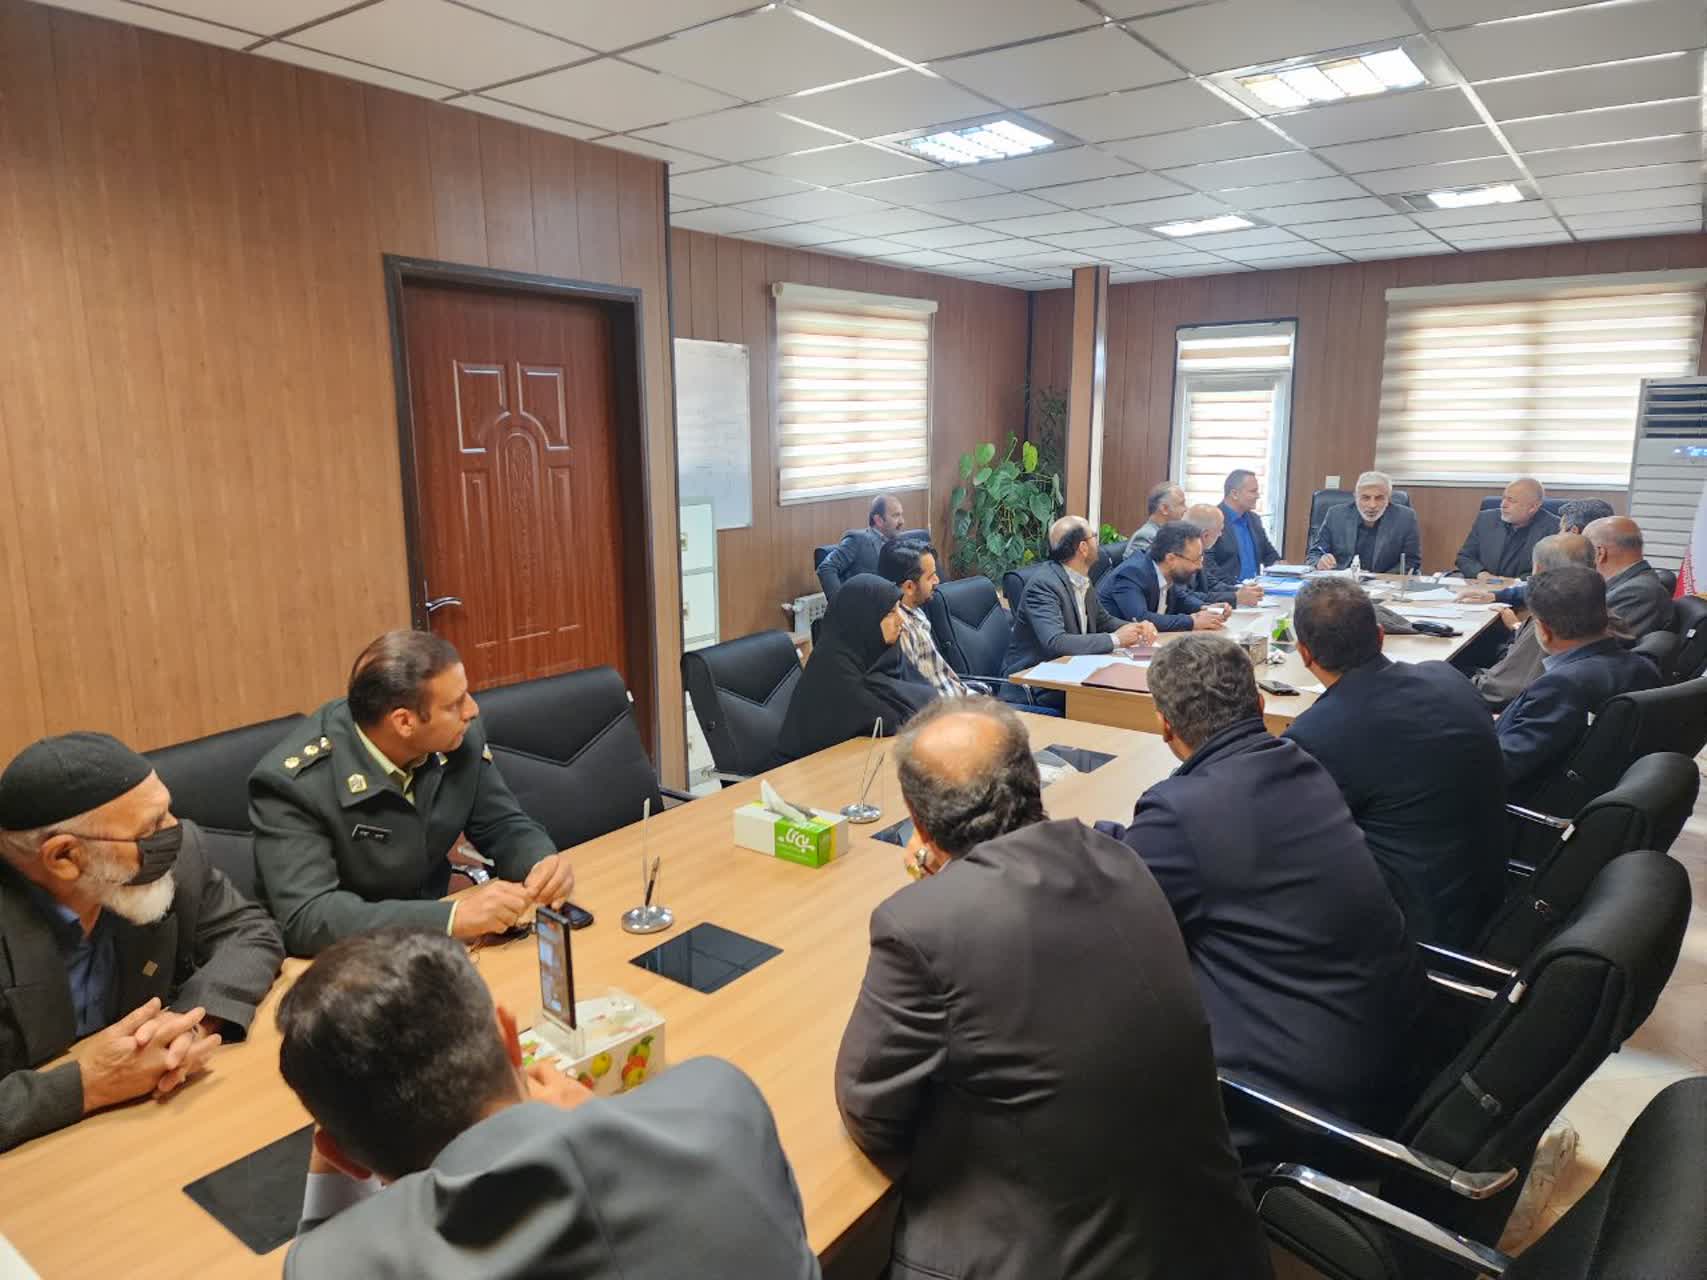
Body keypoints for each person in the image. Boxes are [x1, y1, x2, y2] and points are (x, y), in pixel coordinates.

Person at [835, 698, 1271, 1280]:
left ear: (917, 822)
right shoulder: (1122, 860)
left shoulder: (918, 927)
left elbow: (871, 1113)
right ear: (1033, 782)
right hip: (1210, 1243)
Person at [279, 928, 819, 1279]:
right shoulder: (721, 1102)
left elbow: (326, 1256)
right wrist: (597, 1120)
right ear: (511, 1038)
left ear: (345, 1159)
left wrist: (328, 1188)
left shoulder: (334, 1265)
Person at [1101, 635, 1425, 1147]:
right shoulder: (1301, 763)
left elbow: (1112, 920)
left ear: (1164, 725)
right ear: (1258, 704)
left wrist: (1089, 843)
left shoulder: (1182, 810)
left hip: (1296, 1101)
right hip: (1392, 1046)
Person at [0, 732, 284, 1152]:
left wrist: (191, 1023)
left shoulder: (177, 859)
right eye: (151, 827)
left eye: (167, 812)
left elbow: (248, 930)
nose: (174, 832)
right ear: (63, 857)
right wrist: (89, 1084)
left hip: (156, 1128)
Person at [249, 631, 577, 956]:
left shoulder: (457, 736)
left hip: (441, 951)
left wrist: (539, 862)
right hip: (349, 960)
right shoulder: (294, 784)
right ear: (404, 722)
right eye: (455, 704)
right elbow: (309, 917)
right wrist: (451, 918)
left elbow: (501, 824)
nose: (472, 710)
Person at [1284, 580, 1506, 950]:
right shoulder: (1448, 677)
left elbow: (1293, 847)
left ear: (1304, 654)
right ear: (1380, 635)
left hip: (1412, 927)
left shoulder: (1315, 734)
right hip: (1490, 888)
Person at [1497, 566, 1662, 804]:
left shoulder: (1560, 687)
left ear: (1543, 630)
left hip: (1522, 807)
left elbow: (1500, 769)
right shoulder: (1643, 667)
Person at [1000, 517, 1157, 711]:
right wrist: (1116, 639)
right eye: (1094, 536)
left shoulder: (1080, 578)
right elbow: (1055, 642)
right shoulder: (1044, 586)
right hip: (1035, 689)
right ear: (1083, 547)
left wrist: (1136, 628)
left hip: (1071, 677)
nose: (1097, 542)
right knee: (1118, 707)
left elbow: (1103, 620)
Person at [776, 574, 933, 762]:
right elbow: (890, 720)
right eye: (890, 613)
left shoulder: (884, 654)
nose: (901, 620)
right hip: (810, 772)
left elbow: (925, 702)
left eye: (899, 608)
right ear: (864, 621)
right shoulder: (834, 672)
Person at [1098, 521, 1228, 632]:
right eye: (1195, 560)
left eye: (1201, 558)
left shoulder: (1164, 571)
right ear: (1171, 559)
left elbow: (1181, 598)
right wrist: (1192, 621)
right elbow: (1141, 618)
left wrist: (1206, 608)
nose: (1199, 566)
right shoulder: (1132, 573)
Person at [878, 538, 968, 699]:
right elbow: (917, 697)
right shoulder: (900, 628)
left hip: (961, 699)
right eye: (931, 576)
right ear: (909, 587)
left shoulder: (916, 611)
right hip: (946, 709)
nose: (937, 580)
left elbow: (941, 678)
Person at [1306, 471, 1422, 573]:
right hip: (1343, 583)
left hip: (1384, 584)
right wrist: (1320, 561)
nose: (1372, 505)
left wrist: (1377, 579)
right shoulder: (1336, 515)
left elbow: (1411, 561)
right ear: (1356, 497)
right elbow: (1314, 554)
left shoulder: (1405, 518)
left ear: (1388, 499)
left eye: (1379, 498)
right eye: (1365, 498)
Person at [1584, 516, 1674, 637]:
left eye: (1584, 551)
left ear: (1600, 553)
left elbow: (1592, 642)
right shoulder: (1632, 585)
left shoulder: (1636, 593)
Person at [1455, 477, 1560, 579]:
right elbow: (1465, 557)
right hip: (1483, 585)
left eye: (1511, 500)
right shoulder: (1486, 519)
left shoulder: (1554, 528)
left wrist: (1515, 582)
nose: (1503, 504)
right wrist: (1481, 575)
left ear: (1533, 507)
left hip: (1525, 588)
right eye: (1503, 498)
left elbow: (1551, 571)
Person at [817, 493, 906, 600]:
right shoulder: (858, 540)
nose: (902, 521)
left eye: (901, 515)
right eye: (896, 516)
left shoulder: (899, 542)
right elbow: (826, 568)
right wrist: (839, 604)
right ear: (878, 520)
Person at [1206, 469, 1280, 585]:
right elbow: (1208, 567)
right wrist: (1237, 588)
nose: (1258, 496)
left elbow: (1269, 554)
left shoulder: (1254, 519)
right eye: (1253, 491)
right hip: (1226, 590)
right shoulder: (1211, 519)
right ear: (1234, 494)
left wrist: (1282, 567)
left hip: (1256, 589)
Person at [1182, 503, 1263, 608]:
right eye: (1220, 530)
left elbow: (1212, 584)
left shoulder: (1199, 552)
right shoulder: (1179, 556)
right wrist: (1236, 597)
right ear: (1205, 535)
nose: (1220, 535)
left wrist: (1243, 591)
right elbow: (1187, 597)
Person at [1121, 481, 1187, 560]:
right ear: (1164, 509)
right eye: (1181, 504)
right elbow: (1140, 567)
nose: (1186, 509)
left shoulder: (1170, 534)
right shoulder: (1145, 537)